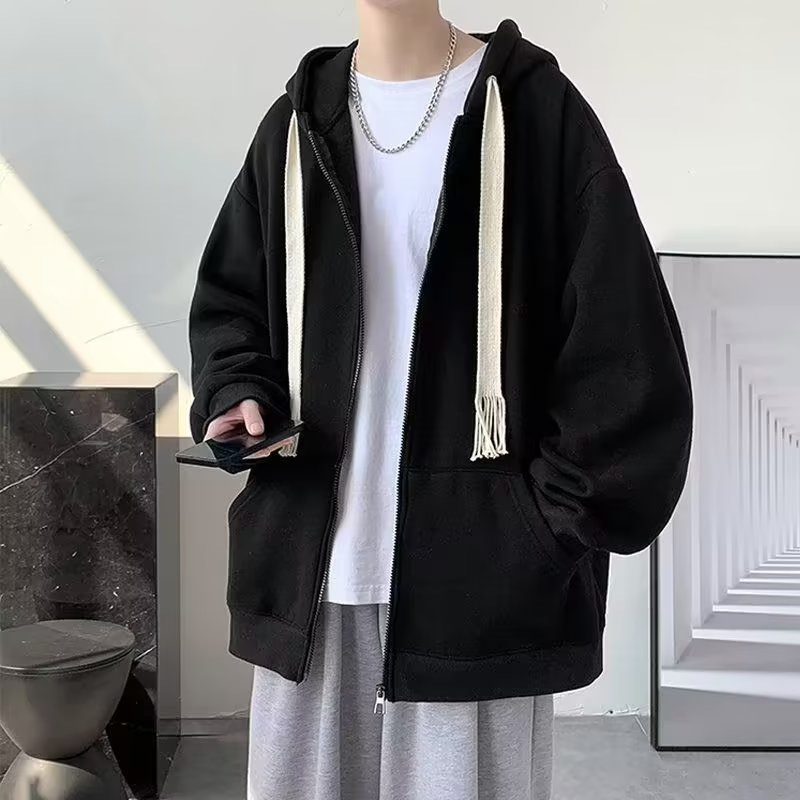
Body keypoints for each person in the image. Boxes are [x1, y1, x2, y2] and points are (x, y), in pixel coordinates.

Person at [188, 3, 693, 799]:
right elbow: (232, 303)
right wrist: (237, 389)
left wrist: (541, 529)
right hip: (310, 573)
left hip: (481, 584)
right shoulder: (296, 123)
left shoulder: (539, 112)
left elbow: (625, 349)